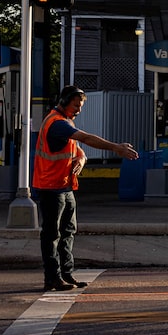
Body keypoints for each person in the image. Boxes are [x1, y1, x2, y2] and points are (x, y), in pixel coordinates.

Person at [34, 85, 139, 291]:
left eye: (80, 106)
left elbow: (77, 147)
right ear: (63, 102)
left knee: (68, 232)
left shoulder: (65, 121)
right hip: (51, 188)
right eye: (76, 105)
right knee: (52, 234)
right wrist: (115, 147)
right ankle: (53, 277)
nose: (79, 110)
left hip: (64, 186)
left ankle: (66, 274)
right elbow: (85, 138)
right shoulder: (56, 123)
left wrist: (81, 158)